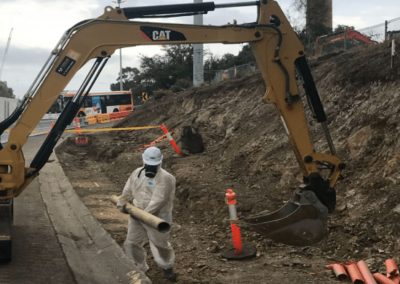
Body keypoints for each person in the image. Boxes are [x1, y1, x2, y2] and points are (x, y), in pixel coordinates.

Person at [117, 146, 177, 281]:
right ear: (143, 161)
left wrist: (143, 214)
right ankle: (138, 267)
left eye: (154, 165)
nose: (151, 167)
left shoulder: (166, 178)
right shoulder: (137, 173)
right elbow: (127, 190)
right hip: (137, 214)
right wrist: (122, 202)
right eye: (149, 164)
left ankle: (167, 267)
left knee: (159, 244)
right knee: (132, 242)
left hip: (158, 218)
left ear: (160, 162)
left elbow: (158, 200)